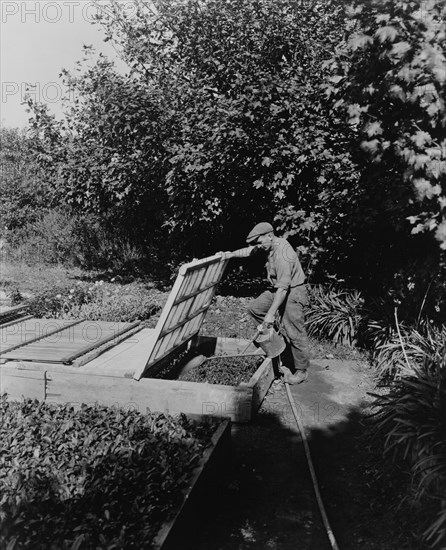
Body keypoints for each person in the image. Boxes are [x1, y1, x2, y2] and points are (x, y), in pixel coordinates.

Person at [220, 222, 310, 384]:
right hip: (278, 289)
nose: (258, 246)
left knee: (294, 330)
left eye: (260, 242)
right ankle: (276, 344)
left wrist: (270, 315)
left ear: (270, 236)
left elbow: (284, 288)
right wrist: (230, 254)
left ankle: (301, 370)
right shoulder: (268, 245)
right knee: (255, 309)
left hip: (293, 292)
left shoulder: (282, 253)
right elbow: (250, 250)